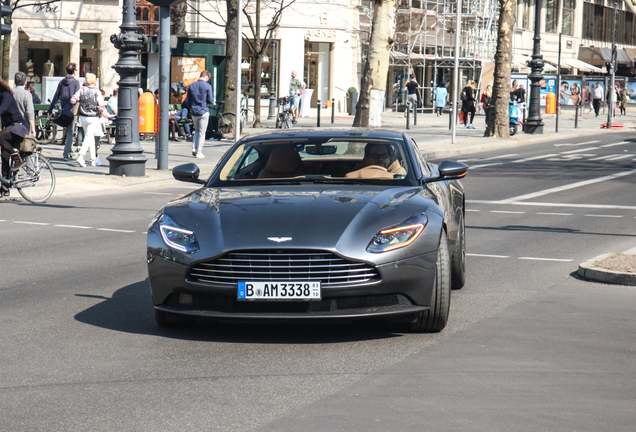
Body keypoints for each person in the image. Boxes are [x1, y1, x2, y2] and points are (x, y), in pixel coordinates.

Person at [70, 73, 105, 167]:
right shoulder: (97, 91)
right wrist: (101, 113)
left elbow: (73, 99)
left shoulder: (82, 90)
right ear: (94, 81)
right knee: (88, 137)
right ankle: (81, 156)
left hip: (83, 116)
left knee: (90, 137)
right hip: (93, 116)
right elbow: (101, 106)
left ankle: (93, 159)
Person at [48, 63, 81, 161]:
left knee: (67, 131)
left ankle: (69, 151)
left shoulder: (62, 82)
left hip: (64, 110)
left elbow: (56, 96)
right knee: (71, 132)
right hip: (73, 110)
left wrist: (50, 110)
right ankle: (66, 153)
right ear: (74, 71)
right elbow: (78, 97)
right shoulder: (76, 82)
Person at [0, 77, 28, 190]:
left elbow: (2, 109)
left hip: (18, 126)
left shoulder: (6, 95)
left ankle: (17, 159)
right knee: (4, 156)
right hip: (10, 128)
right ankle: (5, 187)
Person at [184, 69, 214, 158]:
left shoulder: (192, 86)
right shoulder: (208, 86)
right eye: (208, 78)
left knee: (196, 130)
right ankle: (199, 152)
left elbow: (187, 100)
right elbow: (210, 100)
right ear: (206, 76)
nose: (207, 80)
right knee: (202, 132)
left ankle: (194, 147)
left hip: (194, 111)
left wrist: (190, 108)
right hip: (203, 111)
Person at [13, 71, 36, 137]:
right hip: (23, 125)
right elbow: (30, 112)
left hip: (11, 125)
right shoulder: (27, 94)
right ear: (25, 82)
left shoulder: (9, 93)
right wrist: (33, 128)